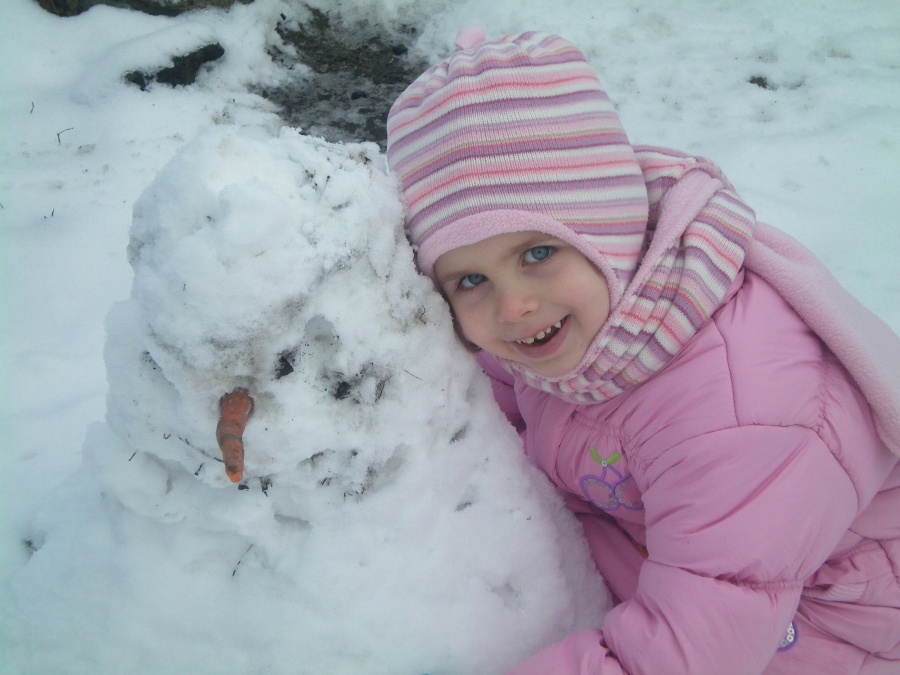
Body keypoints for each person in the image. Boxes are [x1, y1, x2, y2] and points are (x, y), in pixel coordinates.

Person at [385, 26, 900, 675]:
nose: (512, 305)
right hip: (694, 560)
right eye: (471, 279)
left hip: (832, 620)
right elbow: (492, 396)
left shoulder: (740, 407)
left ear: (610, 230)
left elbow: (684, 654)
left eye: (538, 252)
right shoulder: (584, 316)